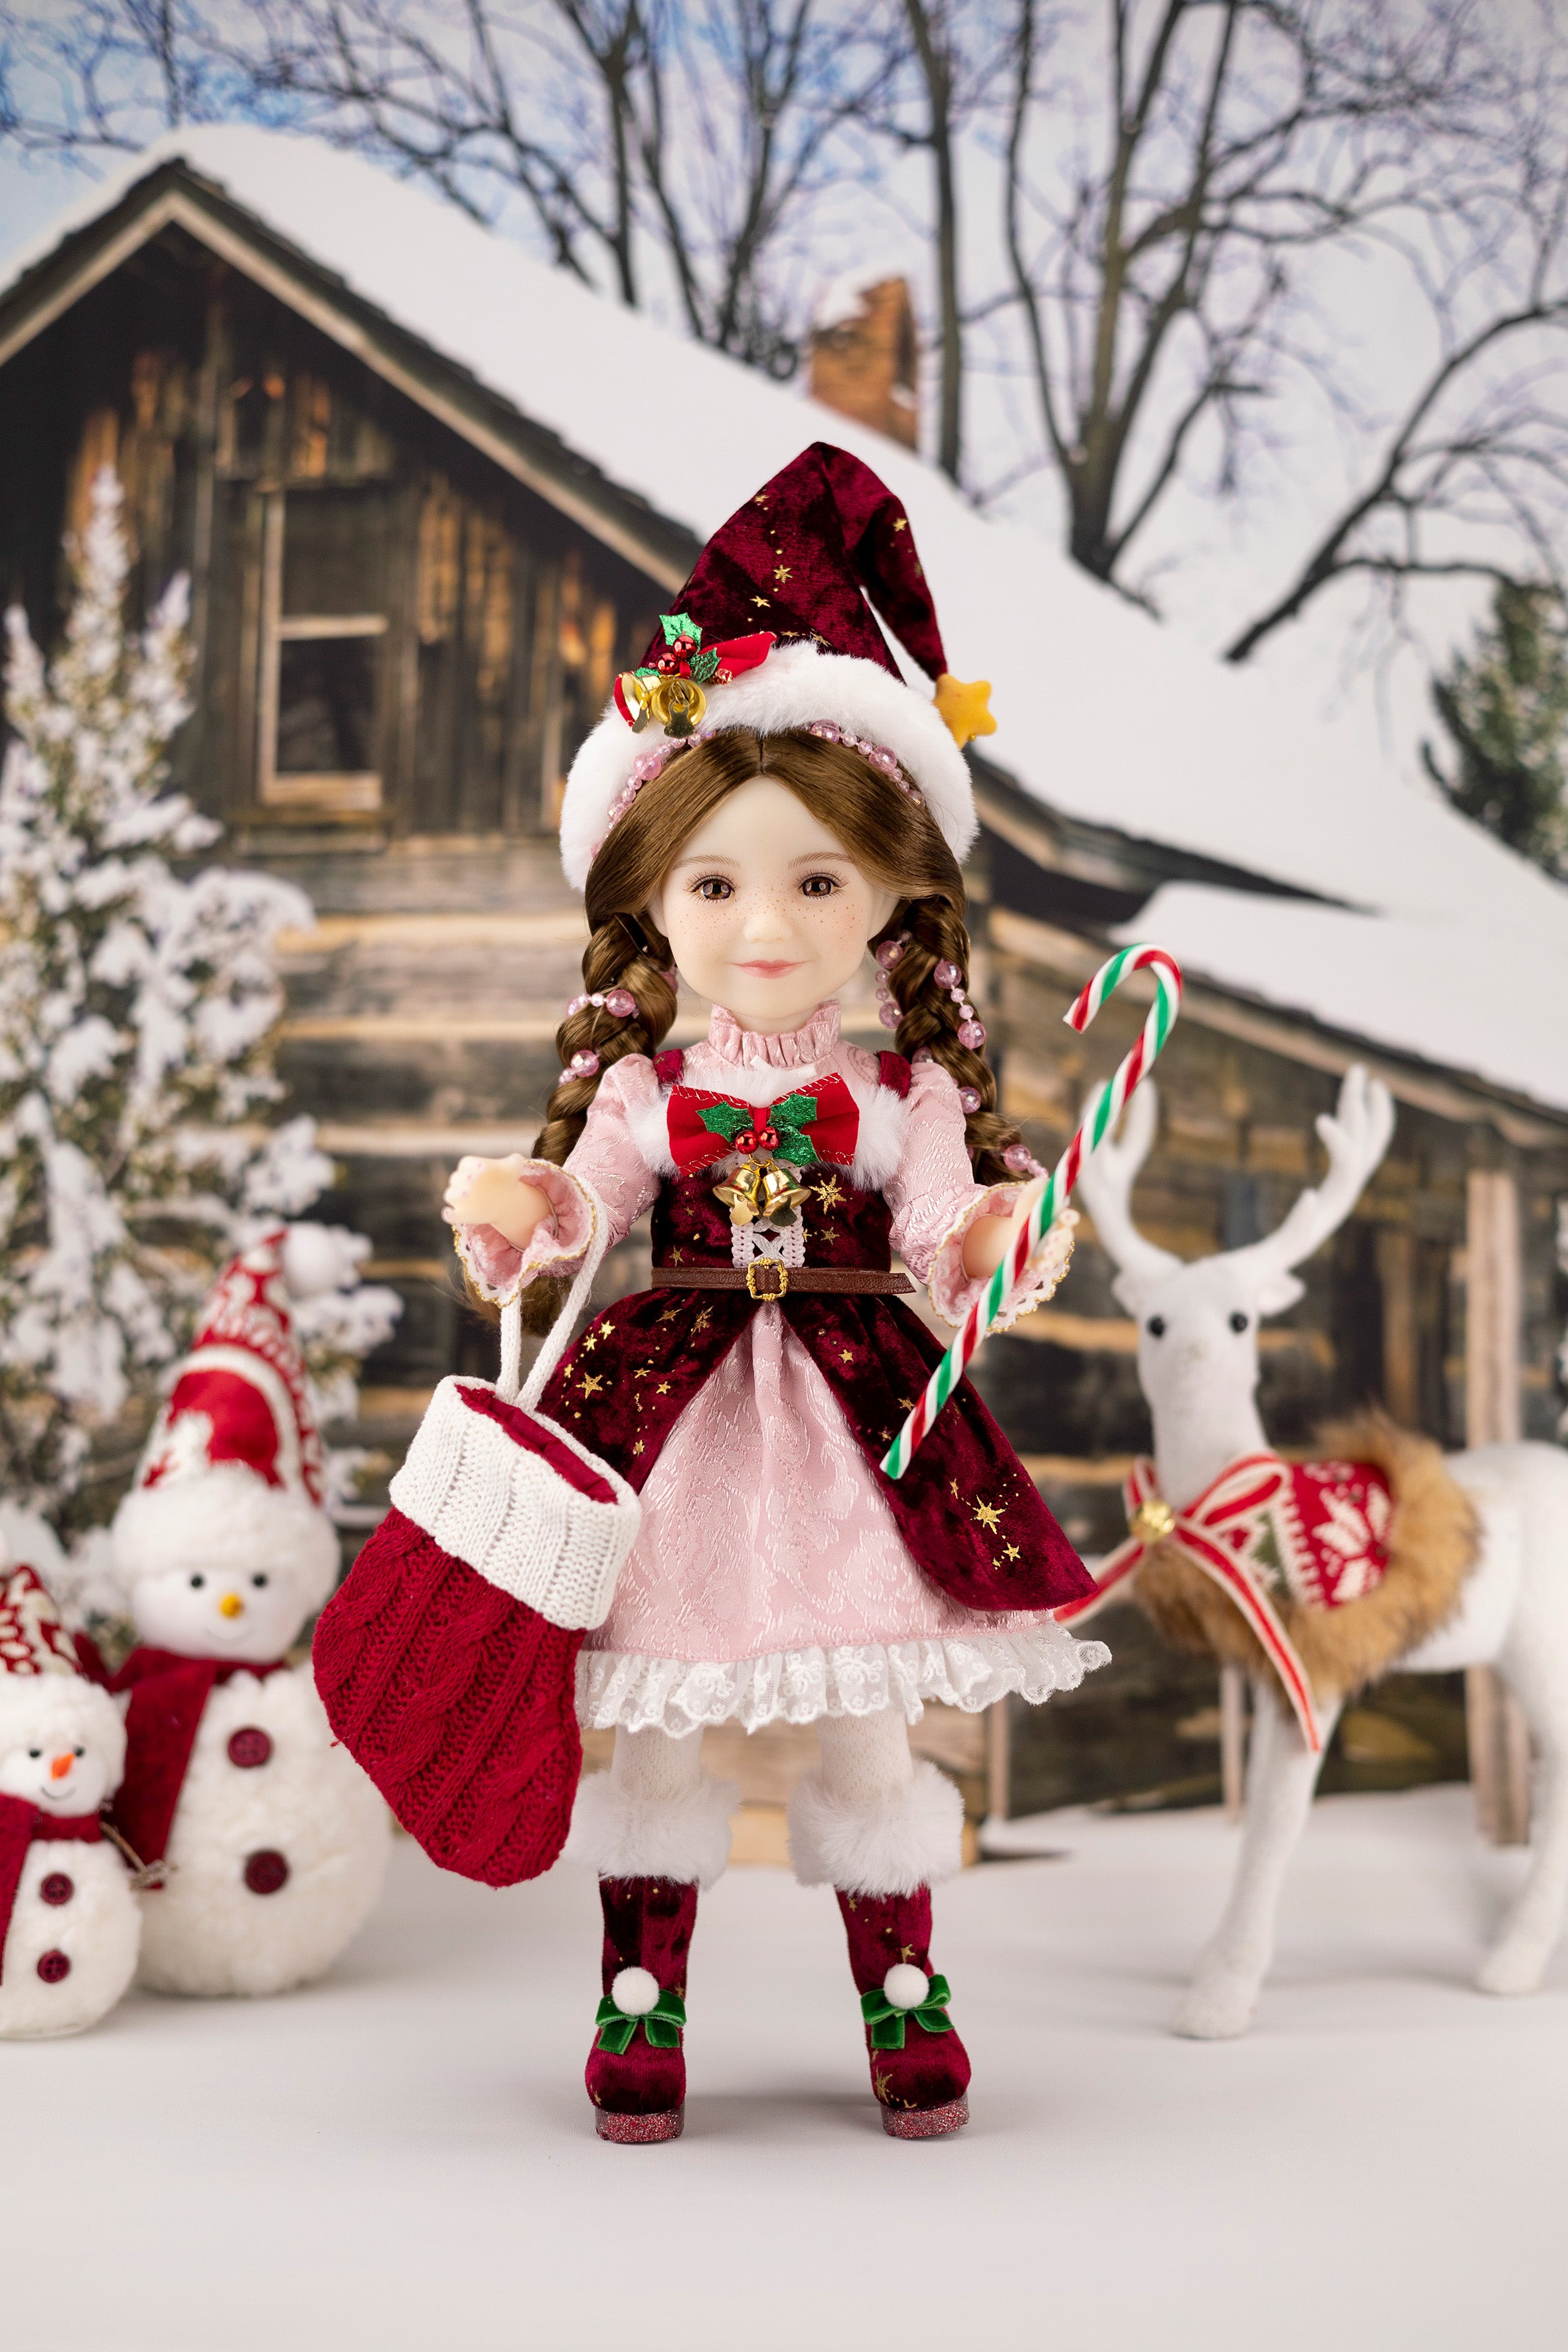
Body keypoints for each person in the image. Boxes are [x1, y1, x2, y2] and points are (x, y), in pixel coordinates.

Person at [440, 443, 1107, 2142]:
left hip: (853, 1427)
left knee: (865, 1725)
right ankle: (639, 2001)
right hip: (659, 1425)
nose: (764, 922)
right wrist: (527, 1199)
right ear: (656, 905)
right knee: (659, 1736)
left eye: (815, 880)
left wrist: (991, 1239)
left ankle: (903, 1993)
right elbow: (583, 1216)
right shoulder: (636, 1094)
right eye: (718, 883)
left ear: (887, 906)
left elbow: (946, 1227)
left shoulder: (902, 1098)